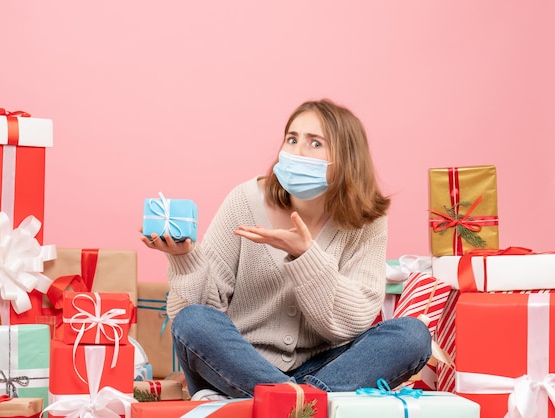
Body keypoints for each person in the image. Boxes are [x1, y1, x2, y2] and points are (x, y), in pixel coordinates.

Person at [140, 98, 431, 400]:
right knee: (192, 320)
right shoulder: (245, 200)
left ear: (346, 157)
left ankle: (289, 403)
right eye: (292, 139)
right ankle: (304, 404)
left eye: (314, 143)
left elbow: (350, 323)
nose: (296, 152)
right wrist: (183, 259)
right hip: (240, 367)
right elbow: (204, 311)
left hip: (325, 369)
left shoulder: (366, 221)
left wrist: (307, 256)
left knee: (412, 335)